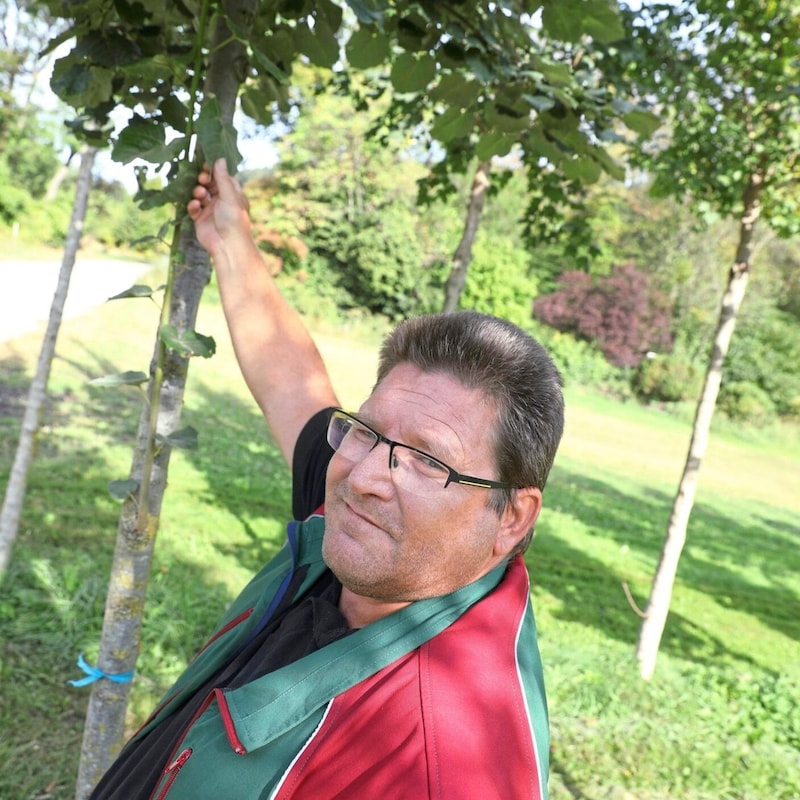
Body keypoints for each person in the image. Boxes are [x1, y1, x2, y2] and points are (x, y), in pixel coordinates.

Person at [88, 159, 565, 800]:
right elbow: (293, 383)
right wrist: (230, 238)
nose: (363, 477)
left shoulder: (438, 763)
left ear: (512, 515)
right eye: (367, 430)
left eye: (428, 460)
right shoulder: (370, 523)